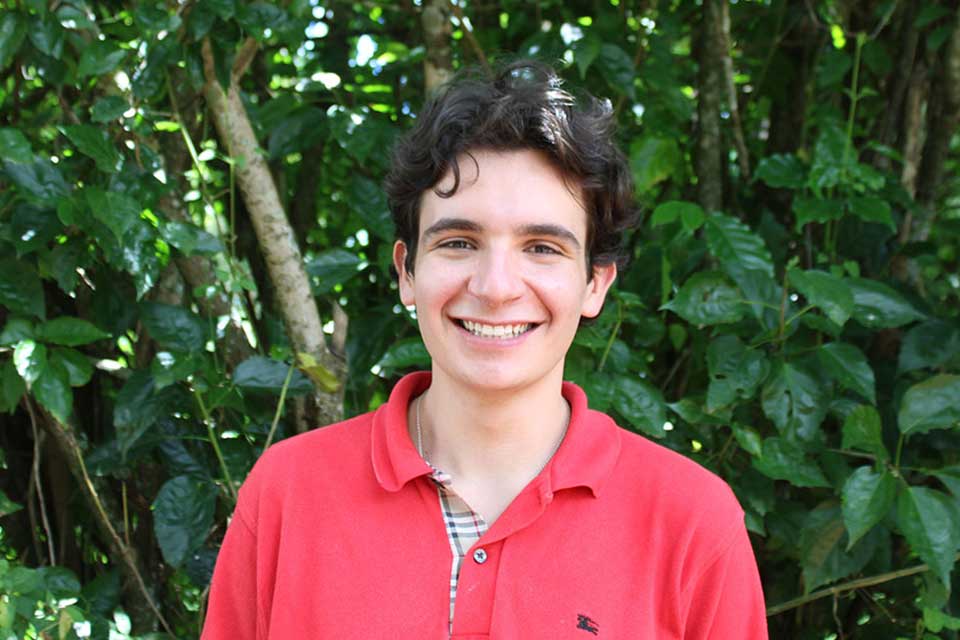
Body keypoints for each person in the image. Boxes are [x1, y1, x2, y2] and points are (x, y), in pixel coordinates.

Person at [201, 60, 768, 639]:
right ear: (406, 272)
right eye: (458, 241)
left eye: (542, 248)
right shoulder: (288, 494)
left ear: (595, 282)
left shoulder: (692, 523)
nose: (495, 287)